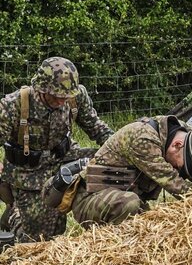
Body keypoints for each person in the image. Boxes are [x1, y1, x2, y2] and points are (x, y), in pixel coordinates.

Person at [0, 56, 113, 242]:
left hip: (65, 158)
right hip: (27, 173)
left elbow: (95, 127)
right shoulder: (14, 105)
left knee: (111, 164)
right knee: (37, 242)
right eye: (56, 96)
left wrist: (119, 147)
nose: (62, 101)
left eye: (65, 97)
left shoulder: (76, 96)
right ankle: (13, 213)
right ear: (42, 89)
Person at [68, 116, 192, 227]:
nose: (177, 169)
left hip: (123, 195)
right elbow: (174, 184)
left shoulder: (180, 131)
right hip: (90, 199)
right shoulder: (143, 139)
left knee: (155, 225)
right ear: (177, 145)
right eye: (179, 166)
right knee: (130, 204)